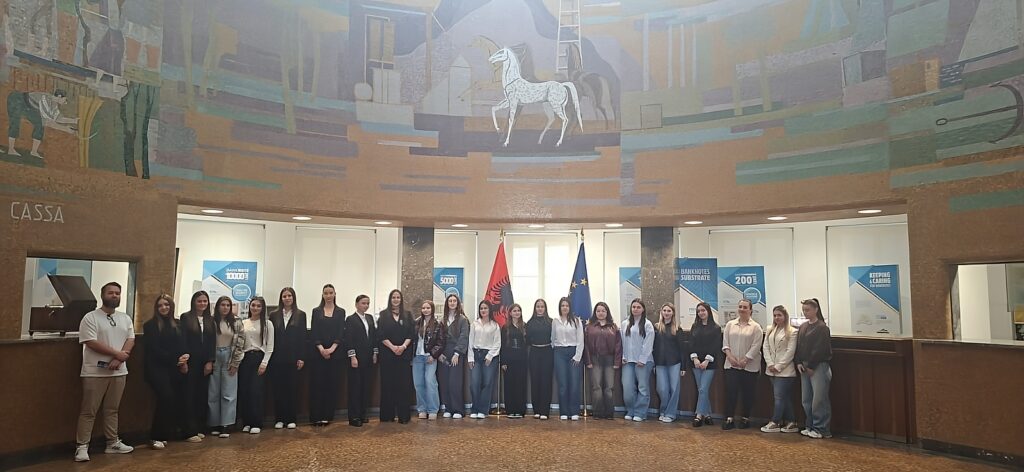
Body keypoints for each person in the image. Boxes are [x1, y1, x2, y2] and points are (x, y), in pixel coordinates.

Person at [74, 282, 135, 462]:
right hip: (94, 372)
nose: (114, 295)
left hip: (119, 371)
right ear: (102, 295)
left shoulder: (125, 318)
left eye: (117, 293)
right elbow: (90, 341)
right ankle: (82, 447)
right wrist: (116, 353)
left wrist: (120, 358)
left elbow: (130, 339)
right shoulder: (90, 317)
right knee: (88, 411)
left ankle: (112, 443)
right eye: (111, 293)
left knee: (112, 409)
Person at [142, 294, 187, 450]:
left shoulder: (178, 324)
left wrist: (184, 359)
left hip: (174, 368)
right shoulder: (150, 325)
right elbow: (154, 349)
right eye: (160, 305)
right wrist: (175, 359)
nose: (164, 308)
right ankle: (155, 436)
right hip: (157, 368)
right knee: (165, 397)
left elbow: (182, 344)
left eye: (166, 304)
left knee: (172, 400)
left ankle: (165, 434)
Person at [721, 299, 764, 430]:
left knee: (748, 393)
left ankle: (745, 418)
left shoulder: (756, 327)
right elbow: (725, 343)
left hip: (749, 367)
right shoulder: (730, 324)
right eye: (740, 307)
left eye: (745, 307)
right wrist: (730, 357)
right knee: (731, 392)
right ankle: (729, 418)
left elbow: (756, 346)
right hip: (731, 365)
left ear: (750, 310)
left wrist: (745, 359)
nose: (742, 309)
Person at [179, 290, 215, 442]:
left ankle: (199, 427)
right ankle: (188, 431)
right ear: (194, 302)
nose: (202, 303)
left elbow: (212, 342)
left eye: (205, 301)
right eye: (199, 301)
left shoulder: (210, 320)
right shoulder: (186, 317)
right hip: (191, 362)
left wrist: (210, 361)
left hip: (205, 363)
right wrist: (184, 362)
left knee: (201, 396)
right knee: (189, 396)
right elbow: (183, 340)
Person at [270, 287, 307, 430]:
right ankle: (279, 419)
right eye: (284, 296)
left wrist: (301, 357)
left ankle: (291, 419)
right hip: (277, 358)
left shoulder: (300, 315)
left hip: (293, 358)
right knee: (278, 390)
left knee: (292, 389)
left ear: (293, 297)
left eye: (289, 296)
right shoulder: (274, 315)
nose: (287, 298)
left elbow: (303, 338)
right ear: (281, 298)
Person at [795, 298, 833, 439]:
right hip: (804, 365)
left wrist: (811, 365)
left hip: (818, 366)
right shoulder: (803, 326)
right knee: (806, 399)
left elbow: (820, 349)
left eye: (808, 310)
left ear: (816, 310)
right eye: (803, 310)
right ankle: (810, 425)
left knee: (819, 399)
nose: (805, 312)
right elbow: (799, 346)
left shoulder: (822, 328)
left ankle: (821, 428)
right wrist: (798, 362)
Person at [309, 284, 345, 426]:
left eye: (331, 293)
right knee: (317, 385)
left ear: (335, 294)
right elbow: (314, 332)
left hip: (335, 355)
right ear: (322, 295)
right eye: (326, 293)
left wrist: (332, 349)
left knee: (331, 385)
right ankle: (316, 416)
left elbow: (340, 332)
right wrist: (321, 349)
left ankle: (327, 415)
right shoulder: (316, 311)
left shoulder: (340, 312)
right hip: (318, 354)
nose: (328, 295)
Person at [208, 296, 244, 438]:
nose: (225, 307)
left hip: (229, 355)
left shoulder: (236, 321)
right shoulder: (211, 321)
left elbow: (240, 343)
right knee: (213, 392)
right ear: (217, 306)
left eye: (228, 305)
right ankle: (214, 423)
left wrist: (235, 363)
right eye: (222, 305)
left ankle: (226, 424)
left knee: (229, 393)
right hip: (214, 355)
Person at [6, 89, 78, 159]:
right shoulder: (45, 99)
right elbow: (48, 122)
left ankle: (34, 152)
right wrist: (65, 129)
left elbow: (59, 119)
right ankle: (11, 150)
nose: (66, 103)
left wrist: (74, 121)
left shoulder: (54, 105)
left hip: (28, 107)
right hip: (17, 99)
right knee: (15, 122)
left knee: (39, 124)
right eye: (65, 100)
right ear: (59, 96)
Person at [238, 296, 274, 434]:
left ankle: (256, 422)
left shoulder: (267, 324)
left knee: (256, 391)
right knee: (245, 390)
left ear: (262, 308)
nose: (255, 308)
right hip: (245, 358)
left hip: (259, 357)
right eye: (253, 305)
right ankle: (246, 422)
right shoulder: (243, 323)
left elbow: (270, 346)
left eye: (259, 306)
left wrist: (264, 362)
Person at [378, 289, 414, 423]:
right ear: (390, 299)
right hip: (388, 355)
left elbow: (411, 334)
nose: (396, 299)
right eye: (393, 297)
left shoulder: (408, 315)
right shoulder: (383, 315)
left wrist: (403, 347)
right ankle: (387, 415)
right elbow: (380, 334)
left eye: (398, 297)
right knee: (388, 385)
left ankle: (403, 416)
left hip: (403, 356)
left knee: (403, 386)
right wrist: (393, 347)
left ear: (401, 299)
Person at [762, 305, 799, 434]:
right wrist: (770, 364)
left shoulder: (792, 331)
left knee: (778, 397)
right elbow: (765, 347)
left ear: (785, 316)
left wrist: (778, 366)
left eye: (779, 315)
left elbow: (790, 352)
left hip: (785, 371)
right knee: (784, 397)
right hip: (771, 369)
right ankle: (792, 422)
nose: (777, 317)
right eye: (775, 315)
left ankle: (775, 422)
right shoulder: (770, 329)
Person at [583, 302, 621, 419]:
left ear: (607, 312)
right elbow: (586, 345)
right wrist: (588, 361)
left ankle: (609, 413)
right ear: (595, 312)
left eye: (603, 311)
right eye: (598, 311)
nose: (601, 313)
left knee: (609, 387)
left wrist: (617, 362)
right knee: (597, 387)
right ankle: (597, 412)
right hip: (595, 359)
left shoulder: (613, 327)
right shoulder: (589, 327)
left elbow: (618, 345)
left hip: (609, 359)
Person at [345, 295, 377, 427]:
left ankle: (363, 414)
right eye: (363, 303)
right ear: (357, 304)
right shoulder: (351, 319)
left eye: (367, 303)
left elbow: (373, 336)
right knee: (355, 387)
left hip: (368, 357)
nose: (366, 306)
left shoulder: (369, 318)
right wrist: (352, 356)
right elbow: (349, 339)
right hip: (356, 358)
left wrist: (375, 353)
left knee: (365, 387)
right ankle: (354, 416)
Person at [620, 298, 654, 422]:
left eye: (638, 307)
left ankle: (641, 412)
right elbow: (621, 342)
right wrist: (622, 356)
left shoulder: (647, 324)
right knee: (627, 387)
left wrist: (643, 359)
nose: (635, 309)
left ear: (643, 309)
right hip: (627, 360)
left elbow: (648, 343)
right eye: (633, 307)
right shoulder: (625, 323)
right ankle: (631, 410)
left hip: (643, 361)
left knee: (642, 388)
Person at [689, 302, 722, 427]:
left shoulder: (716, 328)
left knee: (703, 389)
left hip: (710, 364)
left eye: (703, 310)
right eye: (698, 311)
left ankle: (698, 415)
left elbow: (715, 346)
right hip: (696, 363)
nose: (701, 313)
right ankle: (707, 414)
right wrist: (695, 358)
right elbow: (691, 344)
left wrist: (707, 360)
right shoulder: (695, 326)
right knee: (702, 390)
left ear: (708, 311)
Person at [653, 303, 687, 423]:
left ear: (673, 313)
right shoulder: (656, 327)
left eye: (669, 311)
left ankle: (671, 413)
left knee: (674, 389)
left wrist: (683, 366)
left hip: (674, 362)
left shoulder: (677, 329)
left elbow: (682, 349)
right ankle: (663, 410)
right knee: (661, 389)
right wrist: (653, 364)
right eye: (665, 310)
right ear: (661, 312)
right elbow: (654, 347)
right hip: (660, 363)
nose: (666, 313)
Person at [412, 300, 446, 419]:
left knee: (430, 381)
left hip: (430, 357)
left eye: (428, 308)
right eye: (423, 308)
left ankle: (433, 409)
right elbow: (412, 340)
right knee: (418, 384)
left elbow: (441, 342)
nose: (425, 310)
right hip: (417, 357)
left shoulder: (437, 324)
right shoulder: (416, 323)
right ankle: (422, 408)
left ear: (432, 309)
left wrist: (433, 355)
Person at [552, 297, 584, 421]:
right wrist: (556, 350)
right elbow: (553, 338)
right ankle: (564, 412)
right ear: (559, 307)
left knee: (574, 383)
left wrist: (578, 356)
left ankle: (574, 411)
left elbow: (580, 339)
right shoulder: (555, 321)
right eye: (562, 305)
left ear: (570, 307)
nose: (564, 307)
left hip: (573, 352)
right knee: (563, 384)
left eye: (567, 305)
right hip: (559, 353)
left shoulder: (576, 321)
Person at [468, 300, 501, 419]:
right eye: (481, 308)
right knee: (474, 383)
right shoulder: (474, 324)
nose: (483, 310)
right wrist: (470, 358)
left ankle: (483, 410)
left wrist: (490, 356)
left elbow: (497, 343)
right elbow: (470, 341)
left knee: (487, 383)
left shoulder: (495, 325)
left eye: (485, 308)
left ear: (489, 310)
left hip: (489, 356)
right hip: (476, 355)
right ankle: (475, 409)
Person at [438, 294, 470, 419]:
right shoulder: (443, 320)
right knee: (445, 381)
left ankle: (458, 409)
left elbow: (464, 337)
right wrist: (439, 353)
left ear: (458, 303)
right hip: (444, 353)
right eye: (450, 301)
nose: (452, 303)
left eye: (454, 301)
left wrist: (457, 353)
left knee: (455, 382)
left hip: (456, 352)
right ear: (447, 303)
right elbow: (438, 338)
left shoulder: (463, 319)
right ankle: (448, 408)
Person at [525, 299, 553, 419]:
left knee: (546, 381)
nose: (540, 309)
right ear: (535, 308)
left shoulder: (551, 322)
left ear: (545, 308)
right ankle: (536, 410)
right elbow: (527, 340)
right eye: (538, 306)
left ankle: (544, 411)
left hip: (547, 352)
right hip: (534, 352)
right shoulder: (529, 323)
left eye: (542, 306)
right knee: (535, 380)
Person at [501, 303, 529, 418]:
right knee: (509, 385)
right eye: (514, 311)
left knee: (520, 384)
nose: (517, 313)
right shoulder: (505, 327)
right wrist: (503, 362)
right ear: (510, 313)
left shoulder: (525, 326)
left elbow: (527, 343)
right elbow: (502, 345)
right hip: (509, 360)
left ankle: (520, 410)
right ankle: (510, 410)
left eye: (518, 310)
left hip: (522, 359)